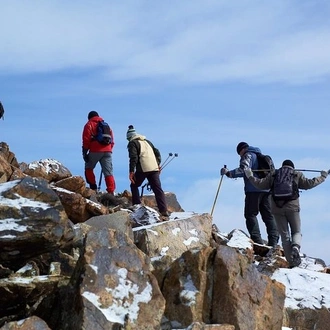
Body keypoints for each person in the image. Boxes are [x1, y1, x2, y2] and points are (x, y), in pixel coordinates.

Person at [244, 159, 328, 268]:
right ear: (292, 167)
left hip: (276, 208)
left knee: (285, 236)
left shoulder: (273, 174)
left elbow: (260, 185)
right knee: (296, 231)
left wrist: (250, 175)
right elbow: (309, 184)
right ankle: (296, 247)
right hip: (292, 207)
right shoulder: (296, 174)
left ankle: (292, 263)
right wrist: (323, 176)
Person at [221, 142, 279, 247]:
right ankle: (273, 242)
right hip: (267, 190)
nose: (240, 156)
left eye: (239, 153)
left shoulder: (248, 155)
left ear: (242, 150)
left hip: (253, 190)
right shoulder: (264, 157)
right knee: (268, 216)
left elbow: (244, 169)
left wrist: (229, 173)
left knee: (250, 214)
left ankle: (257, 241)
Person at [126, 125, 169, 217]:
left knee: (134, 185)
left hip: (143, 168)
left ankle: (137, 206)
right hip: (154, 168)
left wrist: (131, 171)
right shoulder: (147, 142)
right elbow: (157, 152)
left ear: (129, 137)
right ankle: (164, 210)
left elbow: (133, 157)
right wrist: (157, 164)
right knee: (157, 189)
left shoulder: (133, 143)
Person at [82, 111, 116, 194]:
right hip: (108, 151)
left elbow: (86, 139)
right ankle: (111, 192)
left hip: (95, 150)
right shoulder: (106, 125)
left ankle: (93, 188)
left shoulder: (89, 124)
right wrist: (109, 149)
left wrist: (85, 152)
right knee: (108, 172)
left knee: (88, 168)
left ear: (89, 117)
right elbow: (112, 140)